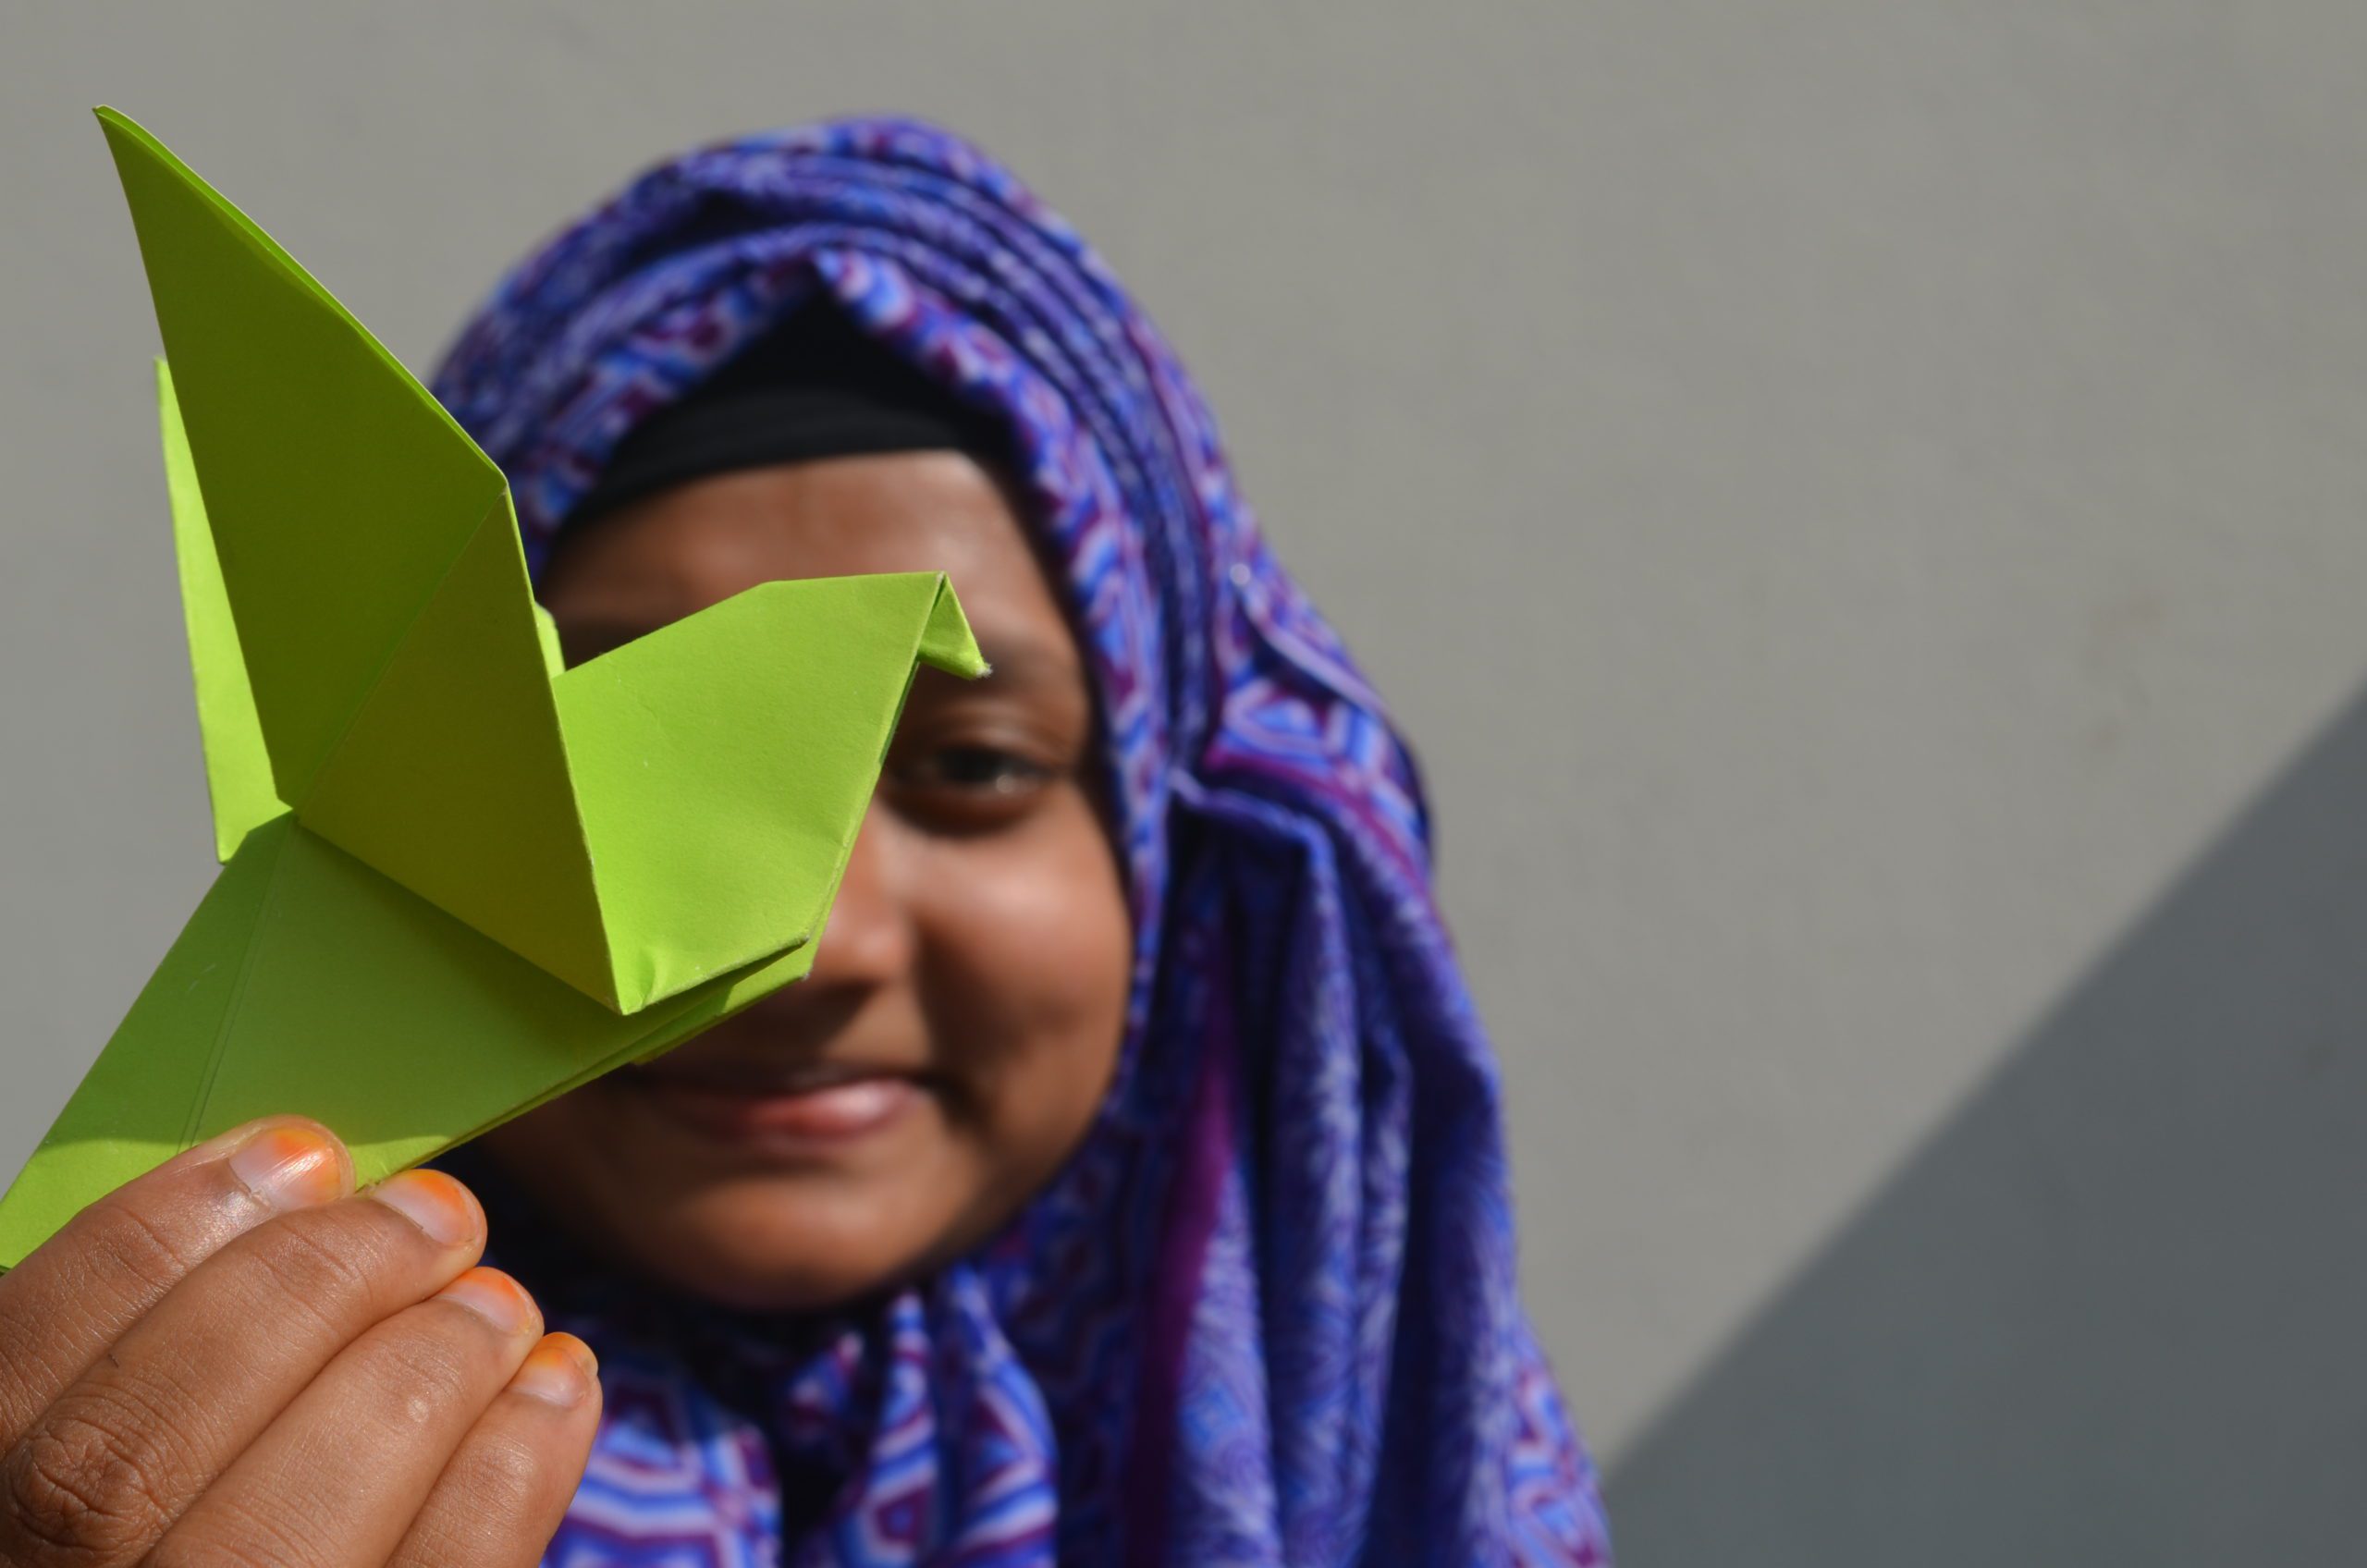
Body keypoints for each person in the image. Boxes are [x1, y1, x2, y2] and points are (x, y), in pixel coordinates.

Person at [0, 118, 1612, 1565]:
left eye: (975, 766)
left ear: (1169, 865)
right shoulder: (93, 1450)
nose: (804, 949)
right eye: (625, 753)